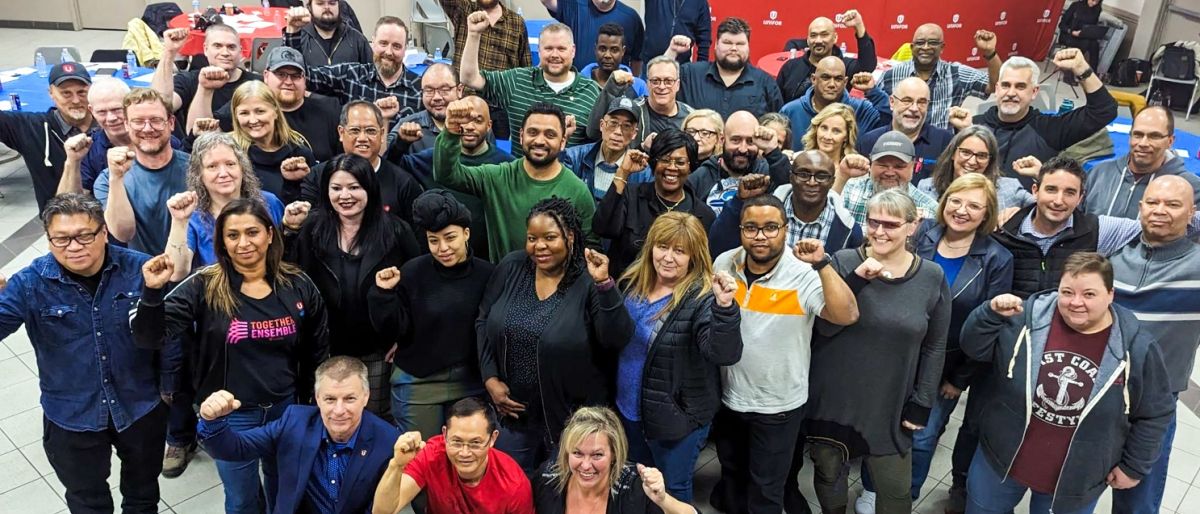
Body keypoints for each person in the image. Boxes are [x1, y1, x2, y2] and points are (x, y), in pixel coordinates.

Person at [132, 198, 329, 514]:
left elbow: (318, 348)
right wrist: (152, 294)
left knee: (285, 492)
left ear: (269, 233)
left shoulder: (297, 283)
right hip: (231, 417)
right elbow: (149, 336)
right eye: (232, 235)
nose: (244, 243)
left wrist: (311, 404)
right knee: (242, 500)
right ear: (221, 241)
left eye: (252, 232)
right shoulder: (204, 285)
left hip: (286, 409)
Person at [0, 193, 175, 514]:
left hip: (139, 407)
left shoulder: (140, 269)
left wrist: (167, 388)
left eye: (84, 235)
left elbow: (166, 336)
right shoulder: (29, 283)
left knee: (143, 495)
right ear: (48, 239)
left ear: (104, 232)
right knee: (87, 502)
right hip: (71, 415)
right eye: (61, 239)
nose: (74, 246)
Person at [961, 252, 1175, 514]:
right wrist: (988, 314)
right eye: (1067, 292)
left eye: (1089, 294)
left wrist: (1134, 466)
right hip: (999, 460)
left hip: (1076, 477)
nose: (1076, 303)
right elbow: (973, 347)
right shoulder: (1026, 319)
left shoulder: (1137, 348)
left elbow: (1156, 413)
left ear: (1110, 294)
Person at [857, 173, 1013, 514]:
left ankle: (904, 496)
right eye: (956, 200)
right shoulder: (921, 235)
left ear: (986, 214)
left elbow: (990, 326)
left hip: (947, 363)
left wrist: (959, 379)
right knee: (882, 424)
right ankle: (871, 488)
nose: (962, 210)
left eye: (974, 205)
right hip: (896, 353)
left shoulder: (997, 258)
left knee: (923, 437)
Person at [709, 193, 859, 514]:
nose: (760, 236)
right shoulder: (724, 263)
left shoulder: (803, 273)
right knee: (733, 477)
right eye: (751, 228)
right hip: (729, 398)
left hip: (778, 406)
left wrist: (822, 264)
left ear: (785, 229)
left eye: (770, 227)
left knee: (767, 490)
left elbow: (847, 314)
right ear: (740, 230)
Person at [806, 189, 950, 514]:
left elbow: (935, 346)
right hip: (833, 398)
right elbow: (824, 328)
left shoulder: (931, 276)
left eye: (891, 224)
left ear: (912, 227)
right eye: (873, 222)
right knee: (828, 473)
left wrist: (923, 402)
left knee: (896, 492)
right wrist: (856, 281)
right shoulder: (843, 261)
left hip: (890, 404)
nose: (880, 232)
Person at [476, 198, 634, 472]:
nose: (539, 247)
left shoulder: (588, 279)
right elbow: (482, 320)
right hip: (514, 414)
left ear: (570, 236)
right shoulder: (512, 266)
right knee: (513, 488)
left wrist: (604, 285)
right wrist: (489, 377)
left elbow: (616, 338)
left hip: (570, 418)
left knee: (560, 494)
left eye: (550, 237)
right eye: (532, 238)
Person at [615, 212, 742, 502]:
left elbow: (723, 352)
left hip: (675, 420)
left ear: (694, 257)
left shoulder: (703, 297)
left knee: (671, 491)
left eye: (680, 250)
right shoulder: (633, 283)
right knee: (637, 481)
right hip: (629, 410)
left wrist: (725, 308)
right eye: (662, 246)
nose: (668, 257)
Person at [284, 154, 421, 417]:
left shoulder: (396, 231)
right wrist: (288, 230)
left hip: (376, 349)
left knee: (373, 419)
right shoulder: (312, 228)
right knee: (330, 418)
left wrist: (404, 337)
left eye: (354, 187)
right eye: (336, 188)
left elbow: (416, 289)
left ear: (369, 188)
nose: (345, 196)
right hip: (323, 347)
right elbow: (291, 276)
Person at [196, 356, 401, 514]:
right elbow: (234, 448)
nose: (339, 410)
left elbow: (380, 507)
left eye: (349, 398)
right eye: (330, 399)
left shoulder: (388, 441)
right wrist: (212, 420)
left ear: (366, 397)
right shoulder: (294, 422)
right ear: (317, 398)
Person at [1108, 176, 1200, 513]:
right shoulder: (1111, 255)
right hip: (1095, 397)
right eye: (1153, 202)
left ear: (1191, 213)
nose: (1161, 211)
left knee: (1137, 503)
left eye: (1173, 205)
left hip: (1153, 409)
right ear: (1140, 207)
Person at [368, 191, 495, 434]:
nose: (443, 248)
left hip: (472, 382)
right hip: (418, 382)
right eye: (433, 240)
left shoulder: (489, 275)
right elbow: (393, 329)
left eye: (450, 238)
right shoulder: (413, 272)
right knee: (420, 457)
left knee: (468, 456)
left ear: (466, 233)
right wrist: (383, 295)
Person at [434, 100, 596, 262]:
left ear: (562, 143)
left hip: (559, 285)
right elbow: (447, 174)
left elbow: (591, 248)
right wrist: (451, 132)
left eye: (550, 134)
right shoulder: (497, 177)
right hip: (504, 283)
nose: (539, 141)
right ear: (521, 136)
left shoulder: (577, 190)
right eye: (533, 132)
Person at [992, 156, 1157, 297]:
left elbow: (1156, 226)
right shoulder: (1005, 231)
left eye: (1069, 193)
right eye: (1051, 189)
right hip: (1014, 328)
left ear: (1080, 198)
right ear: (1035, 191)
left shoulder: (1096, 229)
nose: (1058, 200)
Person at [950, 49, 1116, 187]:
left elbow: (1104, 110)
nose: (1011, 93)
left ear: (1034, 92)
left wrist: (1082, 70)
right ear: (997, 88)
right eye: (1006, 85)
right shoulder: (974, 126)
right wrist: (964, 132)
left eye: (1020, 86)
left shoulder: (1049, 129)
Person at [386, 95, 510, 258]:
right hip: (439, 257)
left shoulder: (506, 165)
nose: (469, 127)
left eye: (477, 120)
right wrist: (401, 143)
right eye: (463, 120)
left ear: (489, 126)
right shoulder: (433, 159)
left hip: (488, 259)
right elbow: (391, 170)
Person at [372, 397, 535, 513]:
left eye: (475, 443)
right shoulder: (433, 453)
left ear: (493, 438)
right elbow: (382, 511)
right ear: (444, 434)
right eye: (456, 442)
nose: (464, 453)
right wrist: (397, 465)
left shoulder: (514, 484)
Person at [462, 19, 601, 154]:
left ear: (573, 51)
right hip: (521, 175)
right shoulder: (518, 81)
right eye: (548, 48)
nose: (555, 54)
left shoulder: (591, 92)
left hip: (569, 176)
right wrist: (474, 34)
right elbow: (470, 79)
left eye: (561, 49)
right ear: (539, 51)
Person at [162, 132, 285, 275]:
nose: (223, 173)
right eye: (212, 166)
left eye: (230, 164)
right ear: (199, 174)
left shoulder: (270, 203)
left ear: (242, 167)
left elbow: (287, 255)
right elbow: (176, 273)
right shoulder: (192, 216)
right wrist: (180, 221)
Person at [534, 406, 698, 513]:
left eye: (597, 455)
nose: (585, 465)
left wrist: (663, 500)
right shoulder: (548, 479)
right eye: (577, 453)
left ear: (614, 454)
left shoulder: (635, 488)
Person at [596, 129, 715, 274]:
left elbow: (700, 269)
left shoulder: (703, 215)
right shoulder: (631, 195)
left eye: (680, 162)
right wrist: (623, 172)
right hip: (623, 290)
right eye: (664, 160)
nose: (672, 168)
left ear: (691, 167)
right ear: (654, 162)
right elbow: (602, 228)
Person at [708, 150, 864, 257]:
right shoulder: (764, 212)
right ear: (791, 177)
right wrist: (739, 202)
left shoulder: (847, 229)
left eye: (821, 176)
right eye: (803, 174)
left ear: (832, 182)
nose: (811, 182)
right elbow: (718, 248)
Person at [92, 88, 191, 255]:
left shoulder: (196, 168)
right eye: (138, 121)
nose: (147, 128)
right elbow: (123, 234)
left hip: (196, 268)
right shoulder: (107, 180)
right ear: (126, 125)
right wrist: (116, 178)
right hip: (145, 271)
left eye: (156, 120)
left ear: (171, 123)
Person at [303, 100, 424, 225]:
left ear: (382, 134)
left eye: (370, 131)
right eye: (355, 130)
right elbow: (307, 228)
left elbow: (417, 236)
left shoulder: (403, 182)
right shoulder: (317, 176)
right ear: (341, 132)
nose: (362, 139)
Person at [213, 46, 342, 162]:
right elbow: (207, 139)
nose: (288, 81)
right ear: (266, 75)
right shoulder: (245, 107)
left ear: (305, 79)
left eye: (296, 76)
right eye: (281, 74)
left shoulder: (330, 110)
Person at [59, 79, 179, 195]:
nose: (111, 118)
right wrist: (72, 162)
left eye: (117, 110)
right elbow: (67, 207)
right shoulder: (88, 149)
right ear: (91, 110)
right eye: (102, 112)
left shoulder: (160, 138)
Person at [0, 62, 94, 210]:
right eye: (66, 93)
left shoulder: (108, 124)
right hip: (58, 225)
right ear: (51, 93)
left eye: (82, 92)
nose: (76, 100)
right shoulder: (32, 128)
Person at [1083, 106, 1200, 219]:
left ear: (1170, 141)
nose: (1143, 143)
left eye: (1154, 136)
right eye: (1138, 135)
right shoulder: (1099, 173)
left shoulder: (1191, 188)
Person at [879, 25, 1001, 130]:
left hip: (940, 149)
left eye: (933, 43)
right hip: (900, 147)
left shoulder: (957, 74)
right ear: (912, 48)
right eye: (920, 43)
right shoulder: (892, 75)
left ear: (942, 47)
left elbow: (995, 86)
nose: (926, 47)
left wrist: (990, 53)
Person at [152, 25, 261, 138]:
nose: (225, 52)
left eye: (231, 47)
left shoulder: (257, 84)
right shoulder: (189, 80)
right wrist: (169, 52)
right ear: (205, 49)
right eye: (217, 46)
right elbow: (159, 105)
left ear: (241, 52)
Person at [667, 18, 783, 119]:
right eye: (727, 43)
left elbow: (778, 125)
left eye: (740, 44)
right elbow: (657, 82)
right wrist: (672, 52)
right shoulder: (690, 74)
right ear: (716, 45)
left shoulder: (765, 83)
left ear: (748, 47)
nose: (733, 48)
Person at [303, 16, 422, 111]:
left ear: (405, 48)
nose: (389, 52)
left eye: (396, 46)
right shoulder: (351, 75)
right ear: (373, 43)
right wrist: (294, 32)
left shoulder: (420, 88)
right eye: (383, 43)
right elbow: (305, 75)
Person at [687, 111, 791, 217]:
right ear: (722, 140)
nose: (743, 149)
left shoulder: (767, 172)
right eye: (736, 140)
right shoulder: (701, 177)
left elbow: (788, 189)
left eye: (750, 141)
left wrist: (773, 150)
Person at [229, 80, 316, 205]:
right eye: (244, 113)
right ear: (235, 116)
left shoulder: (300, 153)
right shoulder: (230, 155)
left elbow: (315, 205)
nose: (253, 120)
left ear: (275, 111)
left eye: (260, 111)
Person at [856, 77, 953, 184]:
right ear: (892, 102)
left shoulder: (945, 141)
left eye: (922, 102)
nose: (914, 108)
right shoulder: (869, 142)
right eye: (907, 101)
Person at [833, 130, 939, 224]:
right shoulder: (849, 191)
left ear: (912, 166)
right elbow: (824, 220)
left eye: (899, 166)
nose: (890, 172)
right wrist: (842, 176)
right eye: (882, 165)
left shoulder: (929, 210)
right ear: (871, 163)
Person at [780, 56, 885, 150]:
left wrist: (873, 92)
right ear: (813, 79)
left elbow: (893, 124)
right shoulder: (790, 111)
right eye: (825, 77)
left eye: (838, 79)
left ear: (845, 82)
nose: (832, 84)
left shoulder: (861, 109)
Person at [918, 125, 1033, 210]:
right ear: (953, 153)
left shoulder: (1010, 189)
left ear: (990, 161)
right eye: (966, 152)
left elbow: (1044, 209)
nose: (972, 161)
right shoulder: (927, 187)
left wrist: (1039, 175)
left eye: (982, 156)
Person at [775, 10, 877, 103]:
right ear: (807, 40)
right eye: (813, 35)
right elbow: (777, 103)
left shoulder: (844, 66)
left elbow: (867, 65)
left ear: (835, 38)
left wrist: (859, 26)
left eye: (824, 35)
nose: (818, 40)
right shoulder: (790, 67)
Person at [563, 97, 653, 201]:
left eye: (627, 126)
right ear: (602, 125)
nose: (618, 132)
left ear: (634, 134)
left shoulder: (642, 173)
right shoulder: (574, 157)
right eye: (613, 123)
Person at [541, 0, 645, 72]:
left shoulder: (631, 18)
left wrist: (631, 85)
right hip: (577, 89)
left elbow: (637, 58)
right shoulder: (574, 6)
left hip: (616, 89)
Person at [386, 63, 462, 157]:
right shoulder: (408, 127)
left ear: (459, 90)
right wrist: (400, 143)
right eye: (429, 90)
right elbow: (383, 161)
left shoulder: (474, 125)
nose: (436, 97)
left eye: (444, 89)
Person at [439, 0, 531, 73]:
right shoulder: (463, 9)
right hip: (465, 93)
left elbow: (526, 70)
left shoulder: (517, 23)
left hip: (501, 94)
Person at [282, 0, 373, 66]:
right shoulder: (298, 37)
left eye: (332, 2)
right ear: (310, 7)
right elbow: (287, 70)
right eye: (320, 3)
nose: (327, 7)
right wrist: (292, 30)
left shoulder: (357, 40)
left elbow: (372, 78)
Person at [581, 23, 649, 94]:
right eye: (602, 49)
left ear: (623, 51)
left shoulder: (639, 87)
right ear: (595, 49)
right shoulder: (579, 84)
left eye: (614, 50)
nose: (607, 55)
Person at [642, 0, 711, 64]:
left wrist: (701, 72)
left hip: (681, 67)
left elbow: (704, 41)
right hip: (650, 63)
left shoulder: (700, 3)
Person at [1058, 0, 1105, 68]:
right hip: (1069, 35)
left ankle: (1092, 73)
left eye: (1097, 2)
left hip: (1084, 36)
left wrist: (1093, 33)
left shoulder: (1097, 9)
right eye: (1092, 0)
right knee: (1086, 43)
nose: (1094, 3)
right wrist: (1072, 32)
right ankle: (1070, 71)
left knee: (1094, 44)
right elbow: (1062, 25)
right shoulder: (1076, 5)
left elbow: (1092, 26)